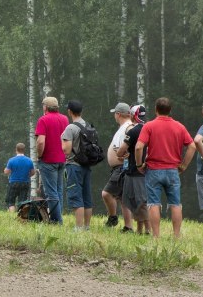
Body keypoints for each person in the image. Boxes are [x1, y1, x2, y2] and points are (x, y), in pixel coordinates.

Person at [135, 97, 195, 239]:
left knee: (154, 203)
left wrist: (139, 164)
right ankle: (176, 236)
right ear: (170, 110)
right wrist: (184, 165)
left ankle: (156, 237)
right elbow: (192, 146)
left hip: (153, 170)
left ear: (156, 109)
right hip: (173, 170)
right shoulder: (179, 126)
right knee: (175, 204)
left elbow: (138, 147)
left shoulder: (149, 126)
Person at [61, 100, 94, 231]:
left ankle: (78, 227)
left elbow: (66, 150)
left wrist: (61, 142)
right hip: (86, 165)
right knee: (87, 196)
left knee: (76, 195)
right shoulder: (88, 125)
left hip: (74, 165)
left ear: (69, 111)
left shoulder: (70, 128)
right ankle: (86, 227)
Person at [34, 96, 68, 223]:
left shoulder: (43, 120)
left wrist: (39, 155)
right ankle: (59, 217)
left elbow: (40, 141)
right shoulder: (65, 119)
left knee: (51, 192)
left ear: (45, 107)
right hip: (62, 159)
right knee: (59, 190)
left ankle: (56, 220)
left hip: (48, 159)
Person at [116, 105, 149, 234]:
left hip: (135, 170)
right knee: (140, 201)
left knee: (139, 201)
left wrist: (122, 153)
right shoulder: (149, 128)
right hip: (146, 169)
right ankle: (140, 230)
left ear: (133, 115)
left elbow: (120, 151)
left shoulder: (133, 131)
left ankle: (147, 230)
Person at [102, 103, 135, 229]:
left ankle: (113, 218)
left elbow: (124, 150)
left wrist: (123, 157)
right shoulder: (125, 127)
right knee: (123, 199)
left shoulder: (126, 128)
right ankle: (128, 226)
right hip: (120, 168)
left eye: (115, 114)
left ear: (118, 114)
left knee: (106, 193)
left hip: (121, 168)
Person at [3, 143, 35, 212]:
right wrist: (27, 176)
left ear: (16, 150)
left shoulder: (11, 160)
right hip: (25, 182)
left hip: (13, 182)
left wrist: (5, 170)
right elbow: (33, 172)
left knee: (10, 201)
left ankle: (12, 216)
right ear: (24, 150)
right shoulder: (29, 160)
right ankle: (21, 217)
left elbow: (7, 172)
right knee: (22, 202)